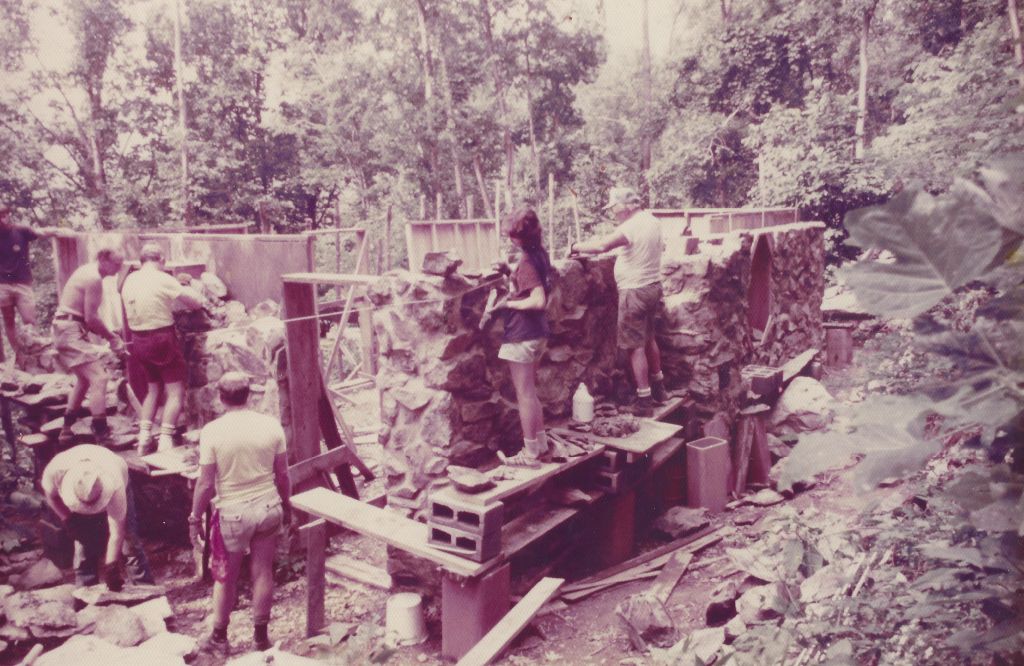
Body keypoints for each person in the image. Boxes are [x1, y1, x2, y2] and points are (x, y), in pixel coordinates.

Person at [189, 372, 291, 657]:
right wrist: (287, 504)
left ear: (220, 398)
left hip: (233, 513)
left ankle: (220, 638)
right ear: (249, 394)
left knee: (226, 578)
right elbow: (282, 474)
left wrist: (194, 518)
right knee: (262, 572)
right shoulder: (271, 426)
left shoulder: (212, 431)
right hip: (268, 507)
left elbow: (206, 483)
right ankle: (260, 638)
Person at [570, 187, 666, 416]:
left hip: (634, 291)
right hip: (652, 286)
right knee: (649, 337)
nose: (613, 212)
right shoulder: (652, 221)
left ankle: (644, 401)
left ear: (627, 205)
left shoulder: (630, 227)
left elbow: (600, 246)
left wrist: (575, 247)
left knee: (635, 347)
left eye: (614, 206)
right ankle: (659, 388)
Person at [484, 207, 552, 467]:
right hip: (537, 333)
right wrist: (506, 271)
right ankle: (541, 444)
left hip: (523, 333)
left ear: (519, 237)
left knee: (523, 394)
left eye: (511, 235)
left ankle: (530, 453)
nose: (509, 239)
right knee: (531, 392)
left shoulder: (526, 261)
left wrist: (507, 305)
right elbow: (525, 282)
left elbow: (537, 300)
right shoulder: (539, 254)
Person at [120, 242, 204, 454]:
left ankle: (144, 439)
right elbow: (196, 303)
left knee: (153, 389)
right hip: (161, 338)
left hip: (138, 340)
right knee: (175, 392)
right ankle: (166, 442)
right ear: (162, 260)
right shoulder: (162, 278)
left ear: (141, 261)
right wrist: (188, 286)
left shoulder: (130, 279)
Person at [40, 444, 154, 588]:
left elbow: (117, 532)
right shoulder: (55, 472)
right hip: (82, 483)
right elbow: (52, 497)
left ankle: (146, 591)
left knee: (130, 542)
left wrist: (111, 568)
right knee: (83, 544)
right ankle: (85, 593)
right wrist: (69, 519)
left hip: (113, 472)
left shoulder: (115, 483)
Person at [53, 247, 125, 447]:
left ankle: (66, 430)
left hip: (66, 327)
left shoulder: (88, 271)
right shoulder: (93, 279)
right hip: (69, 330)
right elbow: (91, 318)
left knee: (84, 380)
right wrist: (112, 338)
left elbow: (87, 319)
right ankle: (101, 433)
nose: (119, 269)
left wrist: (111, 336)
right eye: (116, 264)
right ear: (103, 259)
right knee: (99, 378)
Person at [0, 206, 71, 363]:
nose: (2, 219)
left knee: (29, 320)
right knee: (8, 320)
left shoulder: (20, 231)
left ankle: (34, 356)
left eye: (4, 215)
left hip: (22, 284)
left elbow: (41, 232)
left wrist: (58, 230)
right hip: (2, 285)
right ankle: (19, 356)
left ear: (8, 215)